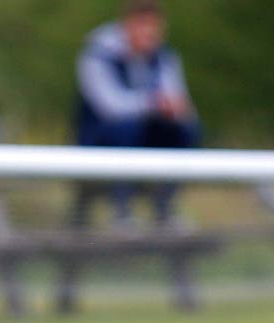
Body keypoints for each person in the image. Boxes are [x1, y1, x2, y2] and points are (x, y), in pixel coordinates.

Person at [73, 0, 200, 226]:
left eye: (154, 29)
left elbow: (180, 103)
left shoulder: (164, 56)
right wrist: (153, 104)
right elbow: (109, 106)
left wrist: (174, 109)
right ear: (127, 25)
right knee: (127, 127)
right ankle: (122, 211)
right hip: (100, 139)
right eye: (143, 27)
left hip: (146, 136)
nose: (149, 35)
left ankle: (165, 208)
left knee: (185, 130)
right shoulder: (99, 52)